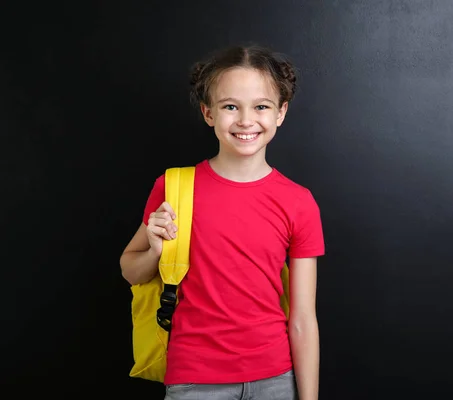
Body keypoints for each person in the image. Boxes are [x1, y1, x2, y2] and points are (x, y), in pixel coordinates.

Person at [120, 44, 325, 400]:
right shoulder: (173, 186)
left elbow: (304, 319)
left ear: (281, 113)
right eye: (230, 106)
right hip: (194, 379)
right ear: (208, 113)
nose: (246, 120)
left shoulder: (298, 202)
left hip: (275, 378)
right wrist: (154, 250)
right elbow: (130, 271)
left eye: (261, 106)